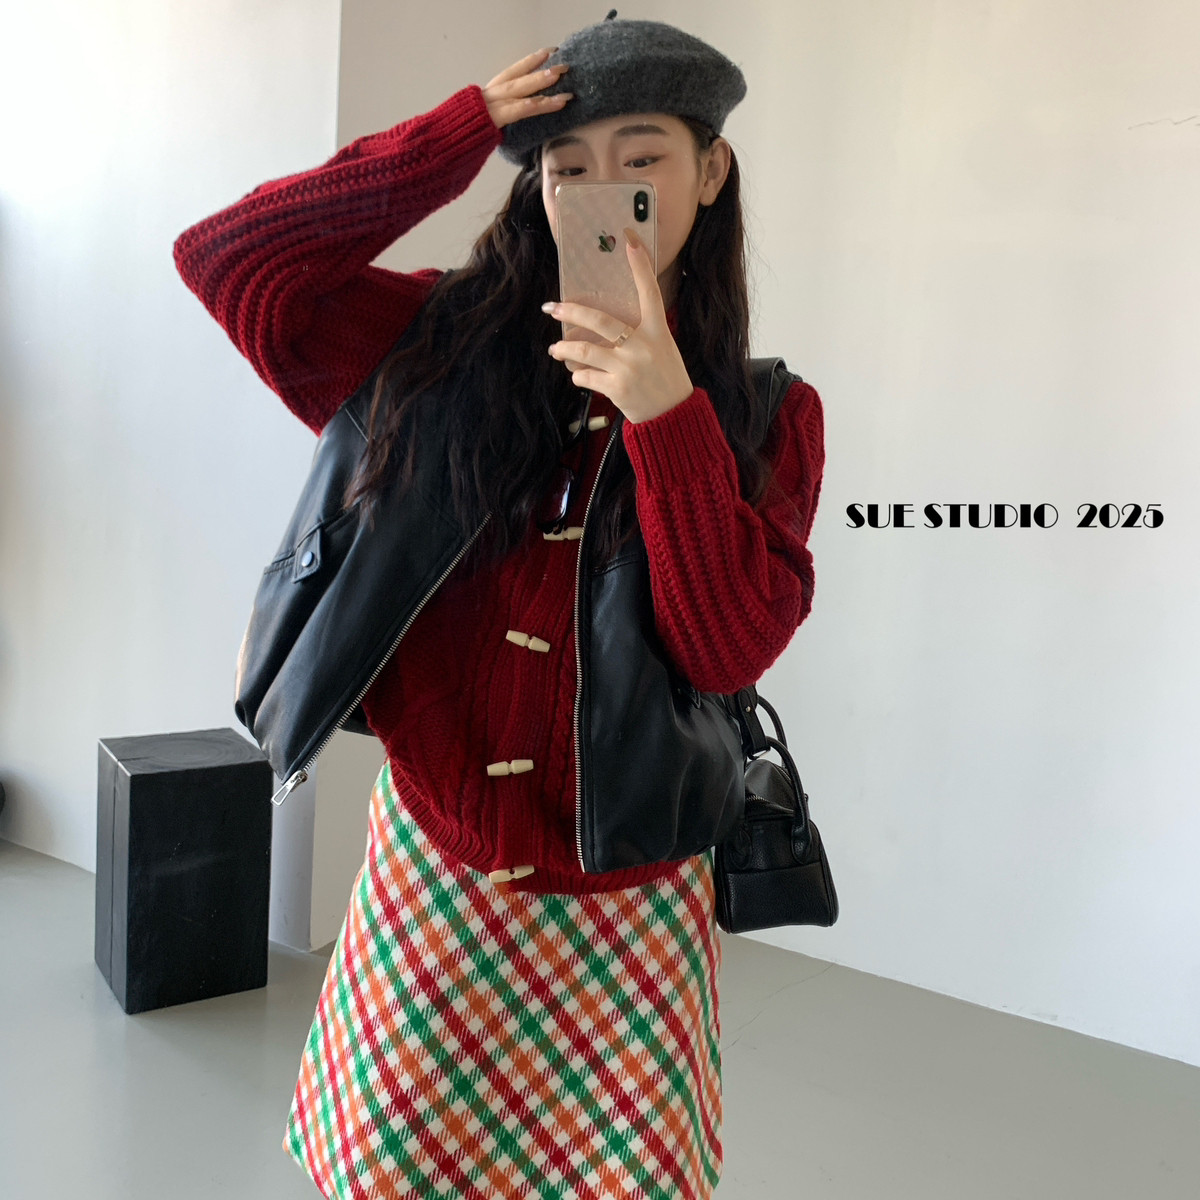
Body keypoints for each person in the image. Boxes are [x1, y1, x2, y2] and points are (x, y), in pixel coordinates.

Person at [173, 12, 824, 1199]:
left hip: (629, 901)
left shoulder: (767, 415)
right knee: (395, 1172)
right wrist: (460, 131)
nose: (605, 191)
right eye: (567, 166)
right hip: (438, 869)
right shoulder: (431, 344)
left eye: (642, 158)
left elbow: (727, 648)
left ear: (711, 170)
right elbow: (230, 262)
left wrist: (666, 418)